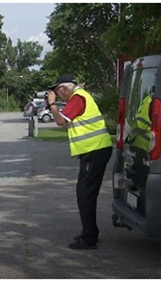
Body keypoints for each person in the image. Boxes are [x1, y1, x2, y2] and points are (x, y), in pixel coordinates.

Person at [46, 74, 113, 250]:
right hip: (94, 150)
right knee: (85, 193)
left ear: (64, 88)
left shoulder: (78, 98)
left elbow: (61, 121)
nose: (58, 95)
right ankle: (90, 233)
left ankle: (89, 238)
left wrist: (52, 104)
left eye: (57, 92)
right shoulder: (80, 97)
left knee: (85, 194)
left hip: (95, 150)